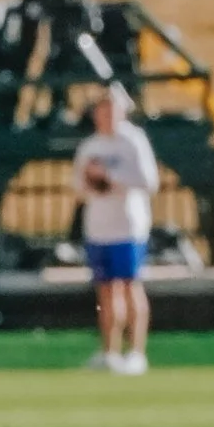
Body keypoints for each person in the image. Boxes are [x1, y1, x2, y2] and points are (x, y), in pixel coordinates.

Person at [73, 82, 160, 373]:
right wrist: (92, 182)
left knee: (130, 286)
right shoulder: (90, 146)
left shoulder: (133, 141)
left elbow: (149, 182)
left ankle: (136, 351)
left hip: (127, 226)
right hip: (99, 226)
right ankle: (109, 351)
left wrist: (110, 179)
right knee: (106, 292)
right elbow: (77, 188)